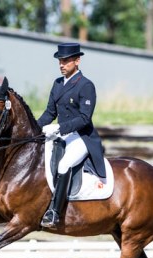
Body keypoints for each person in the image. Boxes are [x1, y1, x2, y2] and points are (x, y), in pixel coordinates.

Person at [38, 42, 106, 228]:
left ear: (77, 61)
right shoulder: (58, 83)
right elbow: (49, 113)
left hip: (82, 136)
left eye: (66, 61)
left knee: (64, 163)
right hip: (62, 134)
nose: (62, 65)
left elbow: (85, 118)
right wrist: (34, 129)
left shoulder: (86, 85)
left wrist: (59, 128)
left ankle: (54, 212)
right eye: (60, 61)